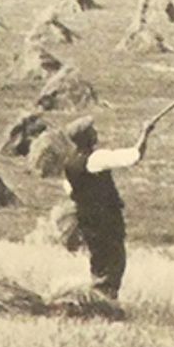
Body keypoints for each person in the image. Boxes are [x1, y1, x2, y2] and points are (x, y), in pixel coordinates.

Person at [59, 116, 142, 299]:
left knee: (99, 262)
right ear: (87, 137)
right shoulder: (95, 159)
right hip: (106, 221)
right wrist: (145, 134)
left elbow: (70, 189)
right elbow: (133, 157)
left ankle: (97, 300)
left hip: (87, 222)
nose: (95, 133)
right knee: (114, 264)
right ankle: (105, 303)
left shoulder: (71, 162)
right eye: (92, 131)